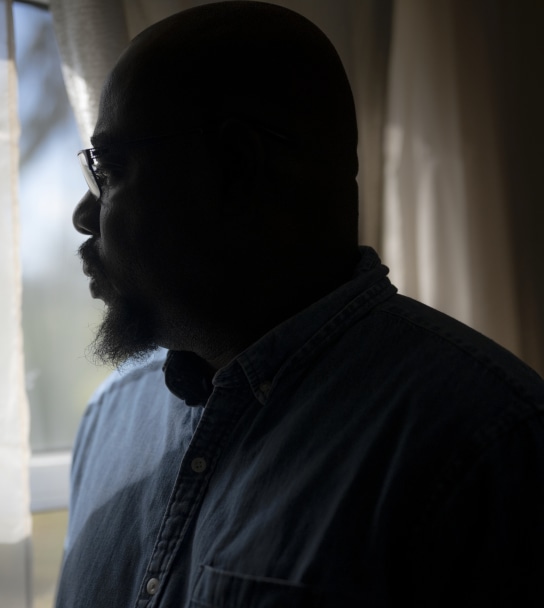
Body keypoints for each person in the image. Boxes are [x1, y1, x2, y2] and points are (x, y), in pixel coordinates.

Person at [56, 2, 544, 606]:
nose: (83, 215)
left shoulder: (492, 447)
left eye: (112, 169)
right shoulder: (108, 422)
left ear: (236, 168)